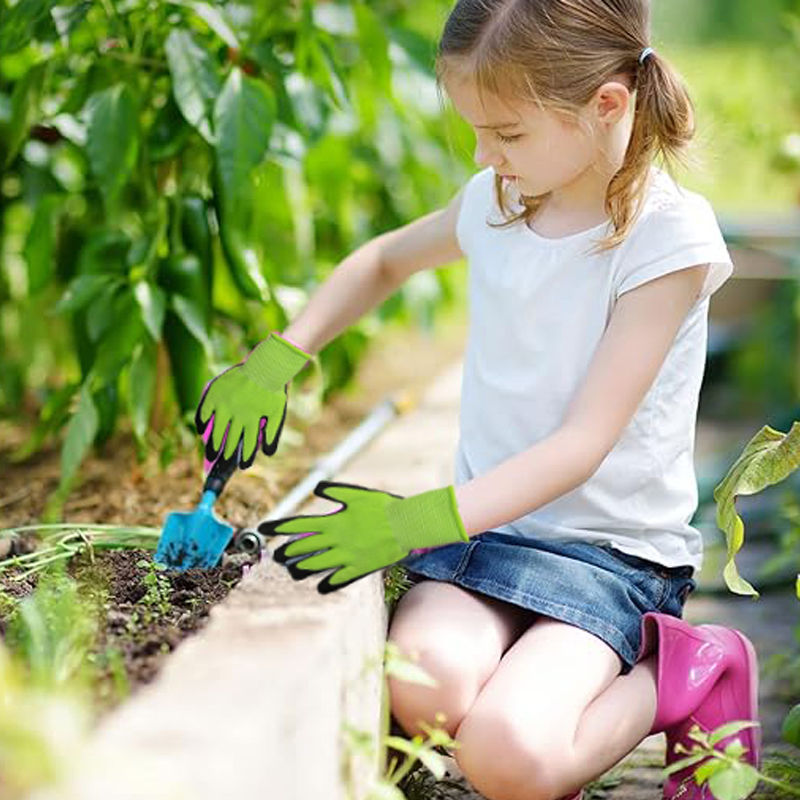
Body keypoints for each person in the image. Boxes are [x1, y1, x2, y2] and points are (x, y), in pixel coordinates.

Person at [194, 1, 761, 799]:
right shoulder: (500, 201)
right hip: (485, 538)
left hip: (605, 559)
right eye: (475, 129)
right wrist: (278, 358)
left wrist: (407, 524)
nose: (484, 153)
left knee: (509, 761)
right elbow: (385, 262)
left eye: (508, 133)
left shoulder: (666, 240)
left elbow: (581, 445)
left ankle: (688, 669)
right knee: (423, 693)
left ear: (607, 103)